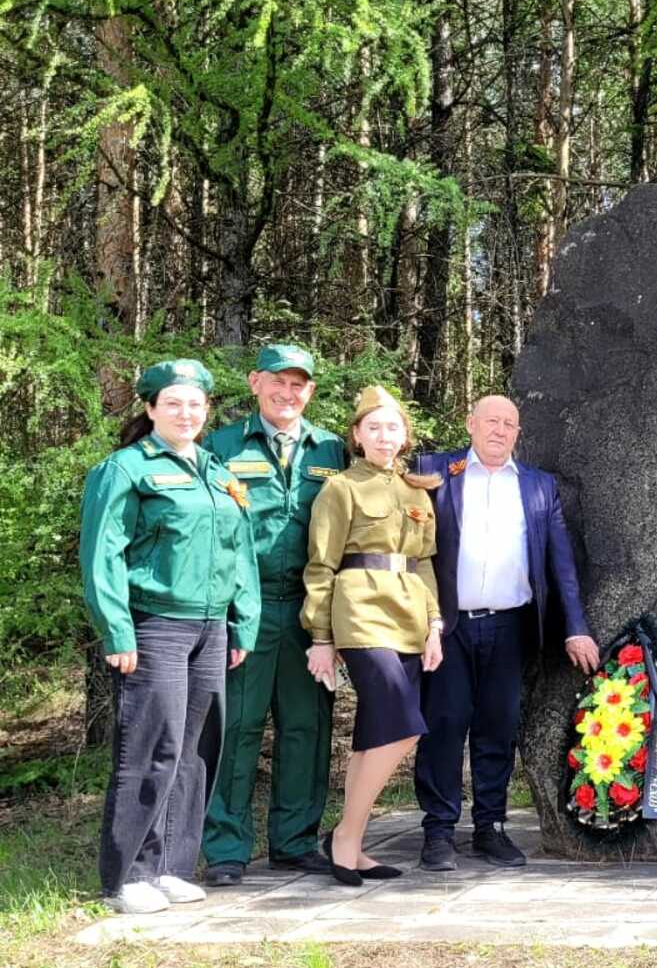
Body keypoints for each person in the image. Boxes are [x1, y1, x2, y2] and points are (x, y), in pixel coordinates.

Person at [80, 359, 260, 914]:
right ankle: (128, 876)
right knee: (150, 747)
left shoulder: (216, 471)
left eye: (195, 404)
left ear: (207, 410)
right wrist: (117, 629)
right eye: (174, 403)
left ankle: (171, 867)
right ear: (151, 408)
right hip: (155, 624)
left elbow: (240, 552)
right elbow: (102, 554)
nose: (186, 413)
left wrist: (243, 621)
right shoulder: (126, 469)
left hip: (211, 626)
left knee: (195, 751)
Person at [411, 394, 600, 870]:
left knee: (497, 726)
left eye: (509, 424)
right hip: (448, 626)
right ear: (470, 424)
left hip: (511, 626)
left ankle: (490, 827)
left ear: (518, 432)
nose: (500, 430)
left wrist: (576, 628)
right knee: (445, 724)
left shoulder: (538, 486)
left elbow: (561, 565)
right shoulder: (435, 472)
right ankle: (438, 830)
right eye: (491, 421)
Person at [201, 344, 348, 884]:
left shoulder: (331, 449)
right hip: (247, 605)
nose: (287, 393)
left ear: (310, 391)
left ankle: (294, 840)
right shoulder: (221, 446)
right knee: (237, 726)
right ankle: (225, 848)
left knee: (306, 727)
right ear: (255, 383)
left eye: (298, 384)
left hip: (311, 610)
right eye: (277, 382)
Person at [302, 385, 443, 884]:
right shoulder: (341, 488)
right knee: (404, 724)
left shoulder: (416, 491)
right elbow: (321, 564)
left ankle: (351, 842)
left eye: (393, 427)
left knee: (376, 733)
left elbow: (425, 564)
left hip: (409, 615)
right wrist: (321, 636)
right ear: (357, 436)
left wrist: (435, 625)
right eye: (374, 427)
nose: (385, 436)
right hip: (360, 610)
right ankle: (345, 836)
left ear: (405, 436)